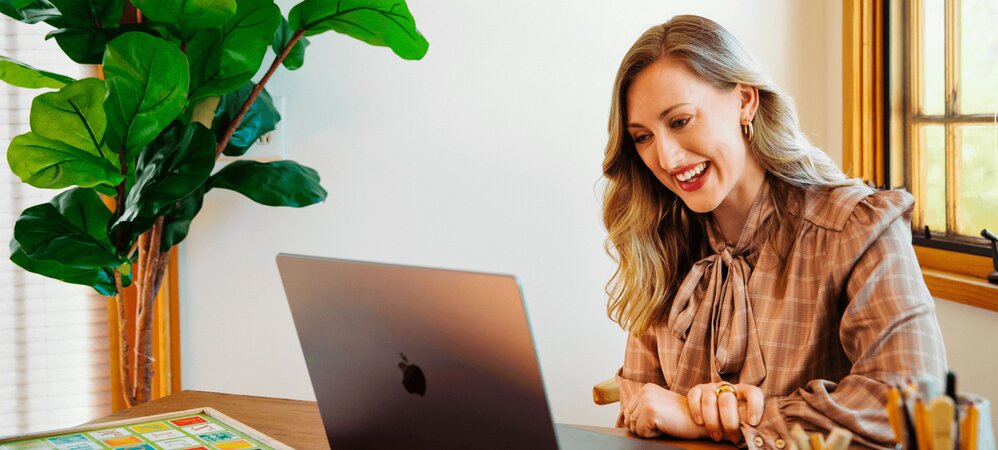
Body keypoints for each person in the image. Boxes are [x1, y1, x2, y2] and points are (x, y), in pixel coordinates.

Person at [602, 15, 946, 449]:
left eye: (680, 121)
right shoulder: (662, 239)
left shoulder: (855, 227)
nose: (667, 159)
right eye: (642, 137)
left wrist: (725, 419)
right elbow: (643, 416)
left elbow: (912, 399)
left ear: (744, 101)